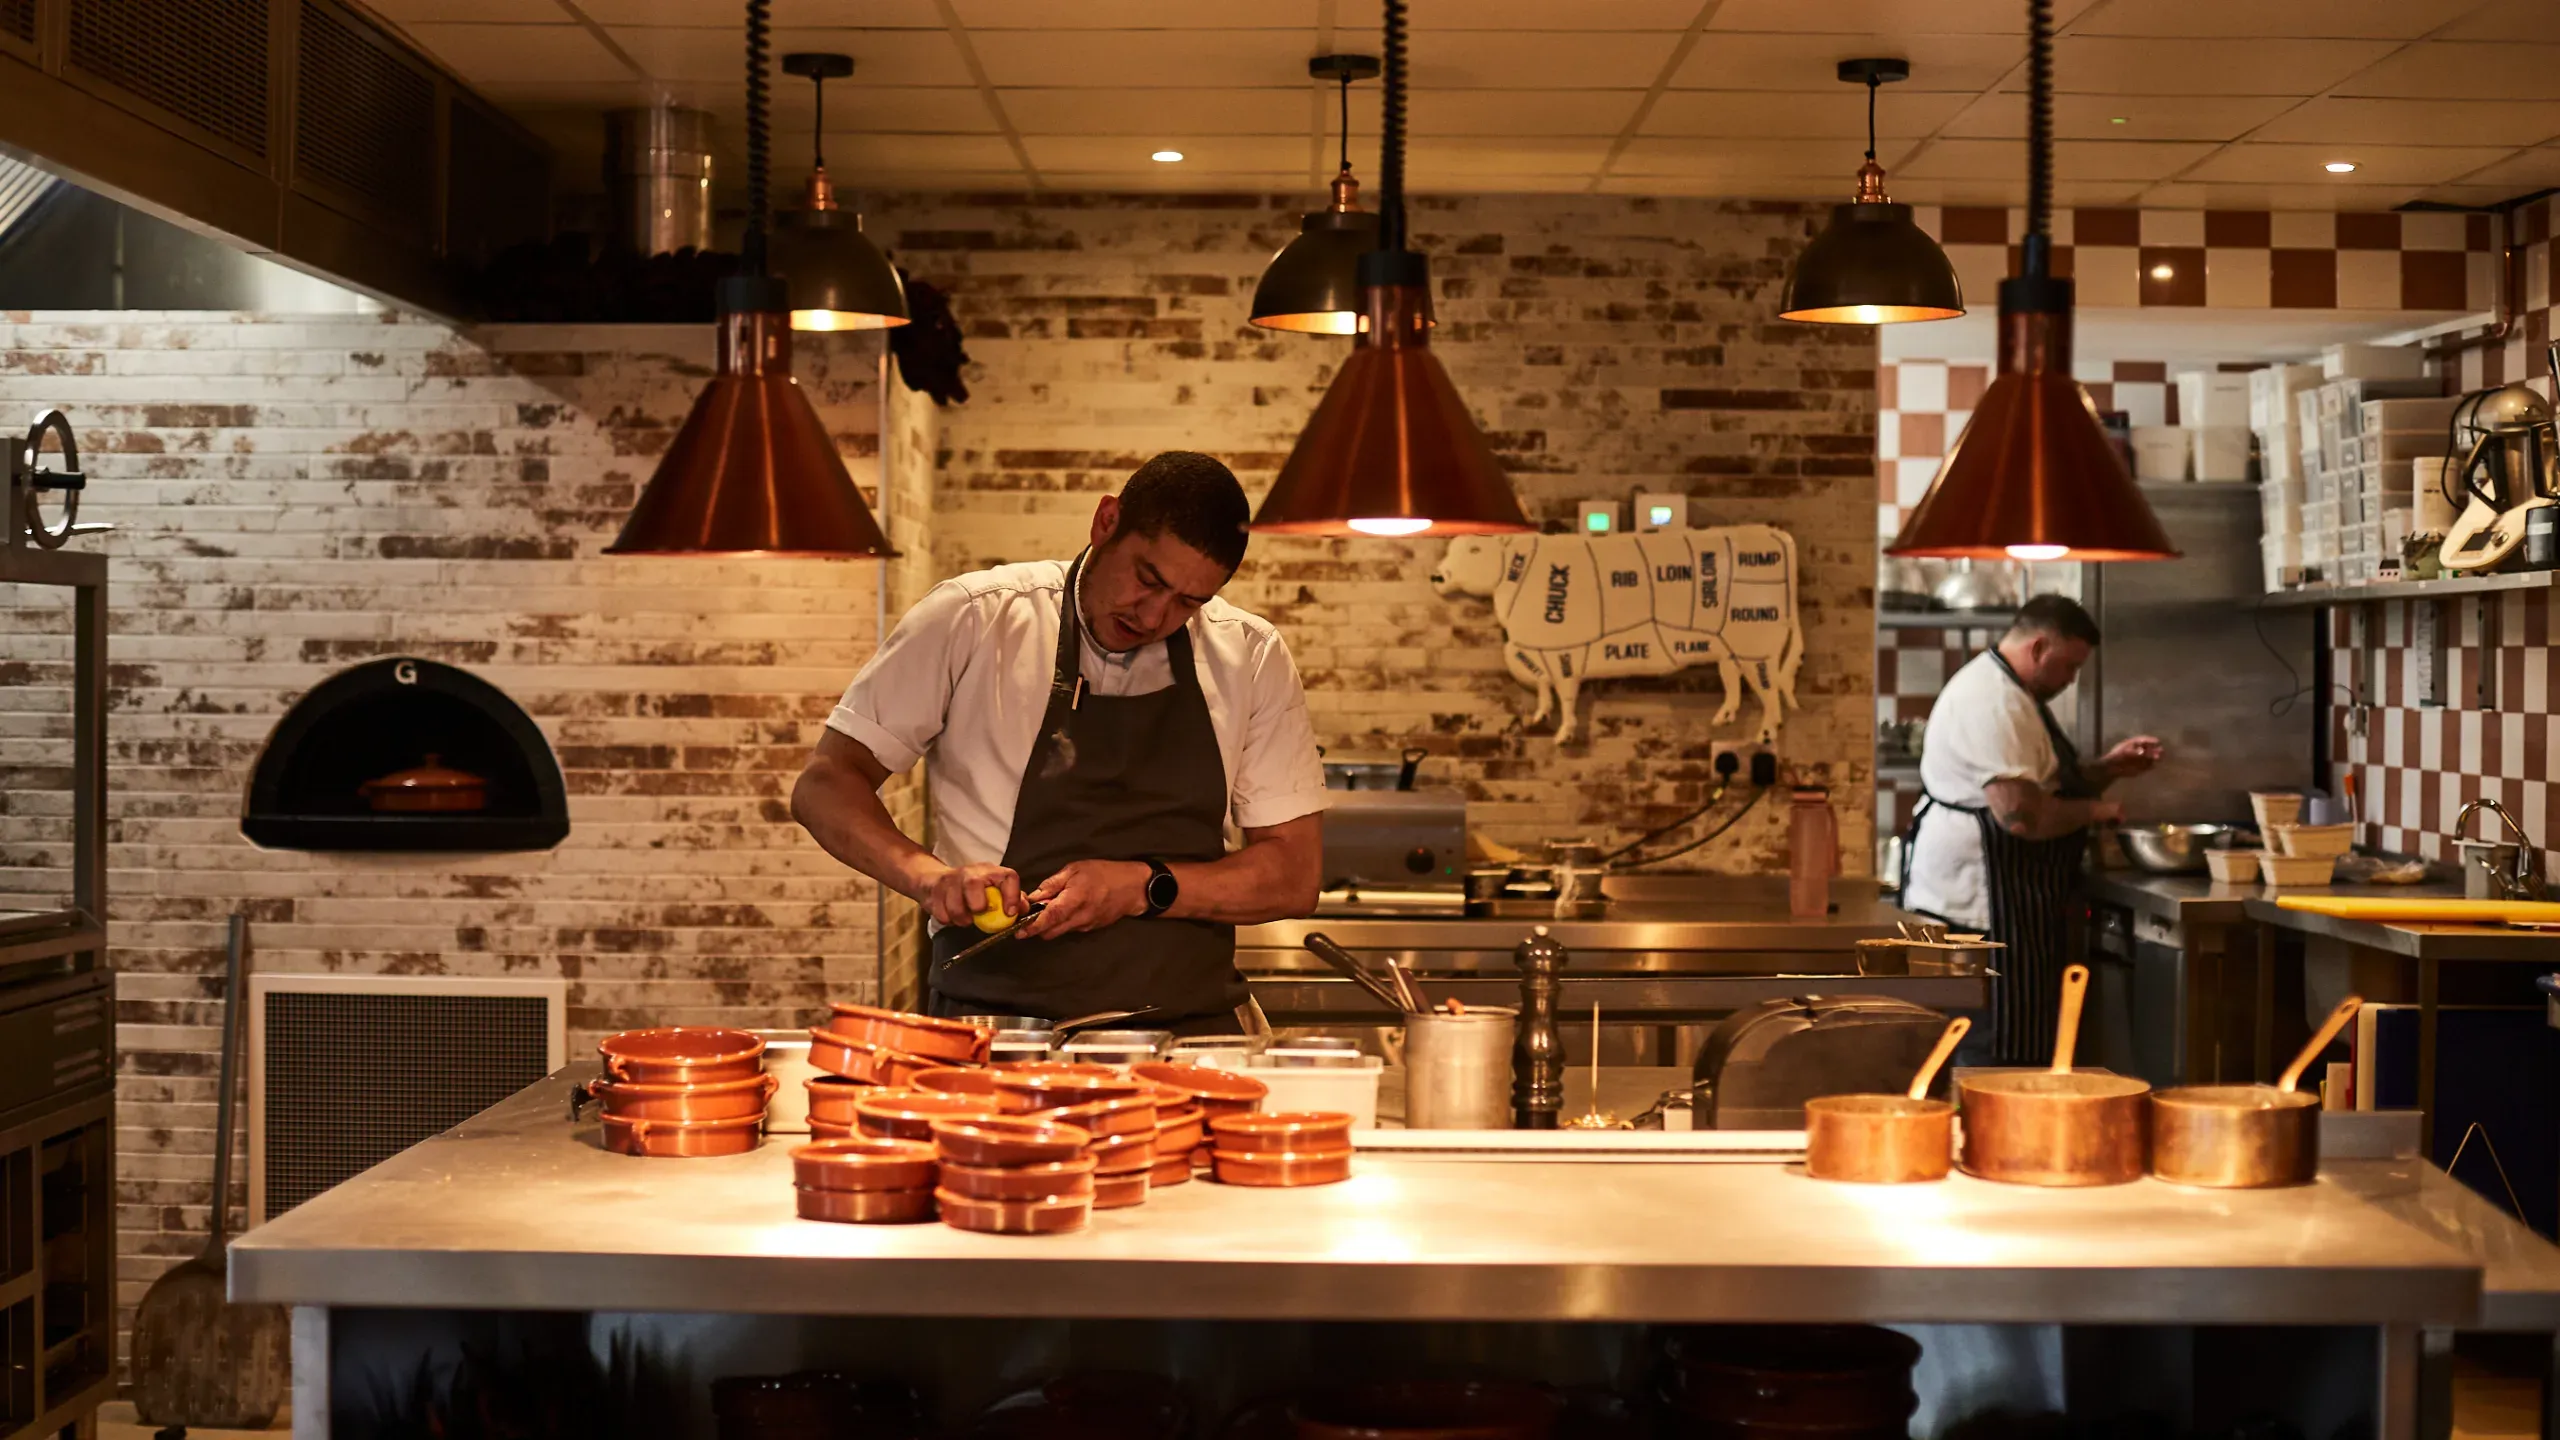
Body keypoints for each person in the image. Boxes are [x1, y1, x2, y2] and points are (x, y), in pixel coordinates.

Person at [791, 451, 1328, 1033]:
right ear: (1106, 522)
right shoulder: (977, 619)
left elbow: (1294, 875)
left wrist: (1142, 888)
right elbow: (826, 785)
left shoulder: (1249, 654)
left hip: (1187, 1034)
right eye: (1148, 580)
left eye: (1187, 602)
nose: (1153, 617)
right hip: (997, 1032)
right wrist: (931, 879)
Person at [1901, 594, 2162, 1064]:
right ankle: (1992, 1137)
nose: (2070, 681)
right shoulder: (1993, 702)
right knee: (1991, 1053)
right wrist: (2096, 812)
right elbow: (2022, 815)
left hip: (2001, 906)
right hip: (1980, 909)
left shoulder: (2012, 691)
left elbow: (2044, 782)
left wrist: (2109, 768)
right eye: (2067, 667)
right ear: (2039, 647)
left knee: (2009, 1046)